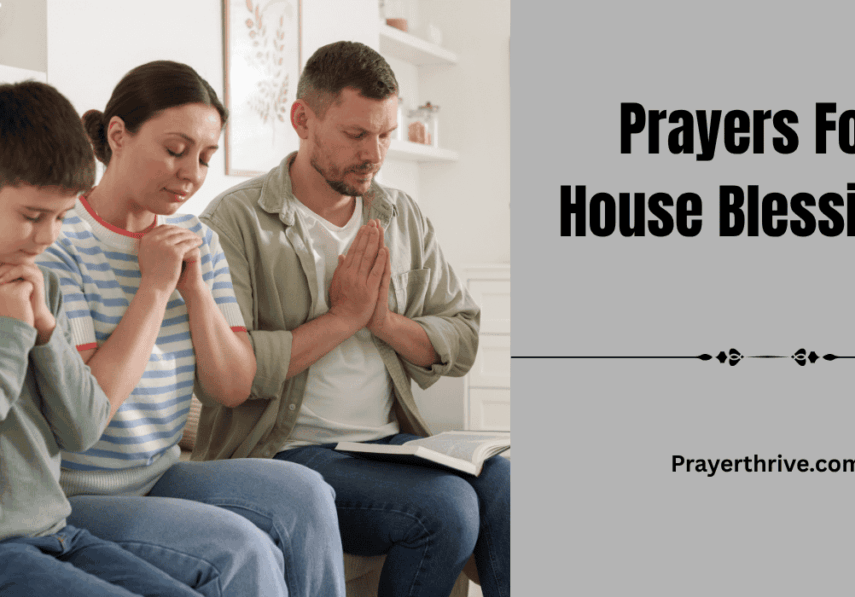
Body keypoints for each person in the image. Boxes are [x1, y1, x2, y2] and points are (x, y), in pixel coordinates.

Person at [195, 41, 510, 597]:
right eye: (357, 134)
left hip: (387, 445)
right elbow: (230, 374)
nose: (376, 153)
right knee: (445, 510)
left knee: (509, 484)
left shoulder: (400, 214)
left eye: (386, 133)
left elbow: (461, 336)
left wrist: (383, 322)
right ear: (303, 120)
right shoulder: (236, 221)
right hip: (282, 452)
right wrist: (344, 317)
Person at [37, 61, 347, 597]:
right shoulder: (61, 245)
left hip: (161, 473)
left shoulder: (196, 238)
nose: (192, 173)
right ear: (117, 135)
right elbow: (89, 408)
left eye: (205, 158)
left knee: (307, 493)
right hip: (76, 493)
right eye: (175, 150)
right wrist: (154, 290)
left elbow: (231, 386)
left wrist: (195, 289)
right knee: (239, 547)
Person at [0, 80, 206, 597]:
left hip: (52, 529)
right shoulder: (15, 307)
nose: (49, 237)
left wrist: (46, 334)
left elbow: (84, 427)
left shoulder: (38, 286)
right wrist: (13, 330)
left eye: (63, 217)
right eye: (32, 216)